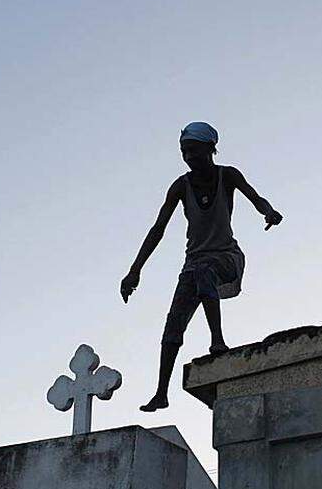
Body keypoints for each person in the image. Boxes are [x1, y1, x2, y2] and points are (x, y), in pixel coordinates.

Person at [121, 122, 283, 411]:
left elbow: (256, 198)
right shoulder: (180, 186)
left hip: (226, 258)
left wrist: (268, 211)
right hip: (193, 264)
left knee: (204, 271)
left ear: (210, 149)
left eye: (194, 151)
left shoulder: (228, 175)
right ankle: (161, 393)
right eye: (184, 152)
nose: (188, 157)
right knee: (173, 324)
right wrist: (135, 270)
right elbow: (158, 228)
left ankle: (217, 340)